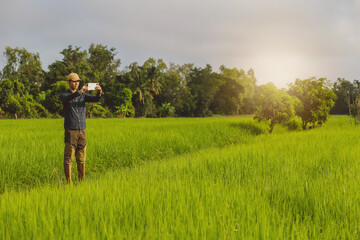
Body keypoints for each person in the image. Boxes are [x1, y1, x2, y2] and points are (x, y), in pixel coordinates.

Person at [60, 73, 103, 183]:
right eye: (74, 81)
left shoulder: (83, 96)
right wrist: (80, 91)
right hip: (71, 131)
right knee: (69, 159)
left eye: (77, 82)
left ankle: (81, 182)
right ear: (68, 82)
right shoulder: (64, 95)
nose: (76, 83)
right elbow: (67, 98)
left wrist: (99, 92)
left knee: (81, 158)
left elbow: (96, 99)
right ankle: (68, 183)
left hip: (82, 131)